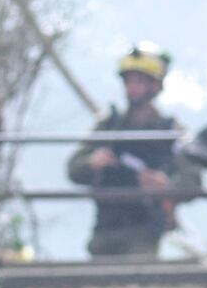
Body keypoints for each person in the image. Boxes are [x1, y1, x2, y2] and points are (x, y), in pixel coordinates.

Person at [67, 44, 187, 258]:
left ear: (155, 86)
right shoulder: (108, 125)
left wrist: (165, 185)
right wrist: (92, 162)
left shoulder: (169, 130)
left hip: (144, 230)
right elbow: (73, 169)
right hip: (104, 228)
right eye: (129, 81)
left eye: (139, 81)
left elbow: (192, 180)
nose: (132, 88)